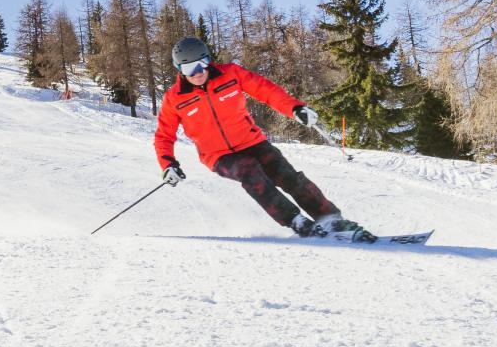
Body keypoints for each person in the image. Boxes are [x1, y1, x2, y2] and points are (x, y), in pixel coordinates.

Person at [153, 37, 366, 239]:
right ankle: (296, 221)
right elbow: (164, 135)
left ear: (209, 60)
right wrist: (168, 164)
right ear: (179, 70)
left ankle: (330, 219)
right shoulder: (174, 99)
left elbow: (266, 90)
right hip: (218, 156)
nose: (198, 72)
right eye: (189, 68)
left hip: (252, 142)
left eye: (202, 63)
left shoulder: (231, 74)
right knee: (249, 171)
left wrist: (295, 108)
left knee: (287, 175)